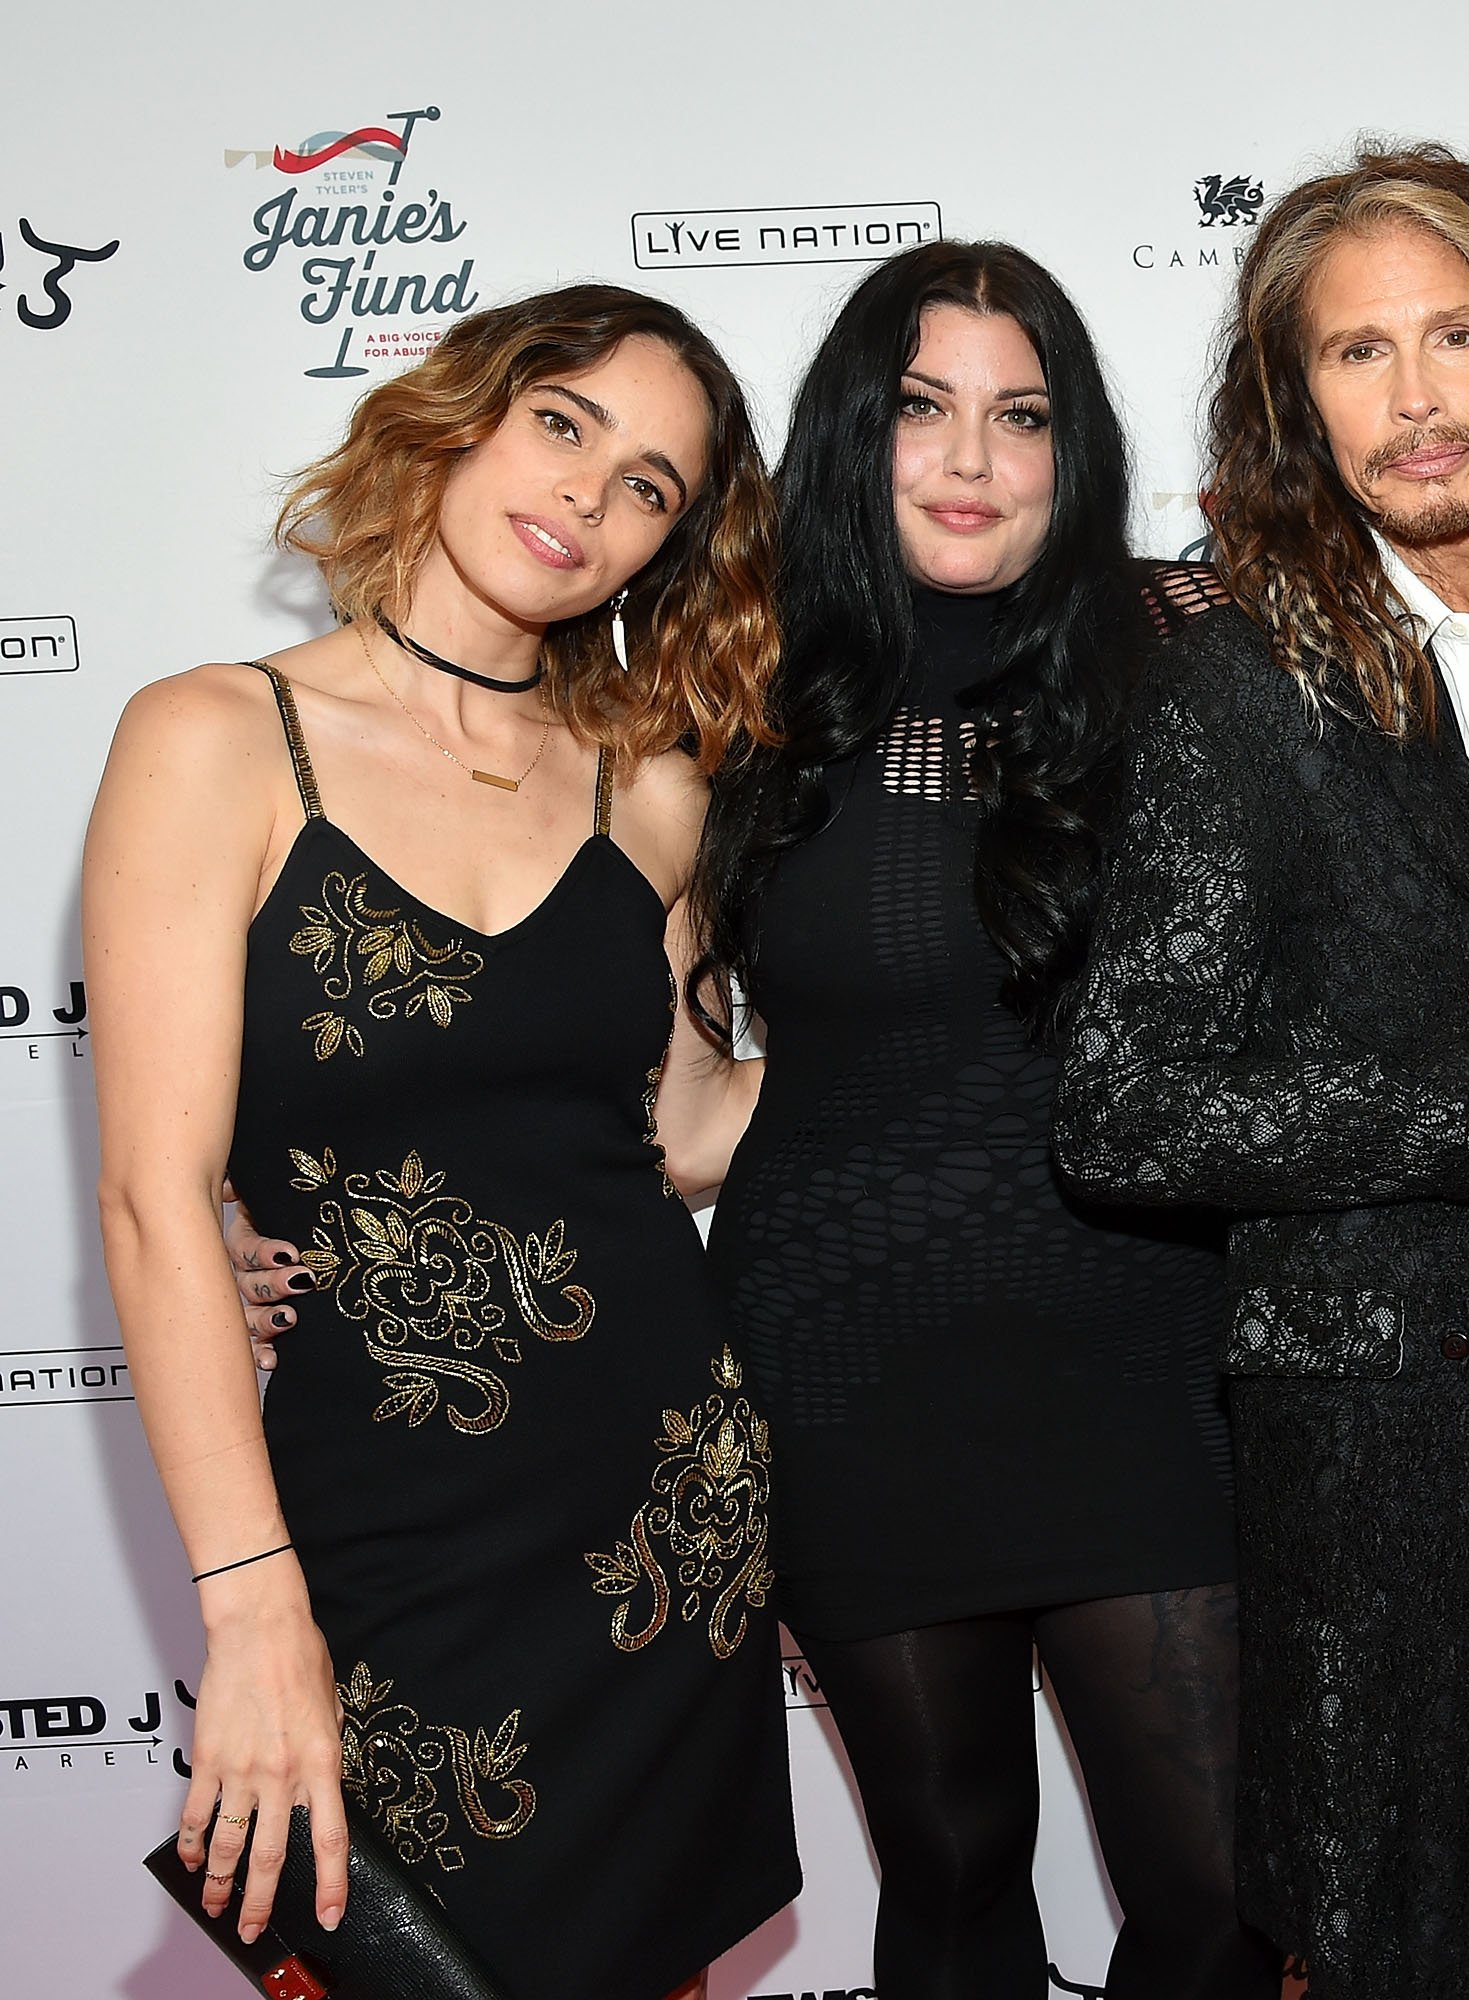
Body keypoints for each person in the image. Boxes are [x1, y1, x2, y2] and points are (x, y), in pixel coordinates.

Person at [1052, 144, 1469, 2000]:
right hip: (1397, 1428)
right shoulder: (1248, 682)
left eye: (1455, 338)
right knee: (1433, 1943)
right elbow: (1119, 1105)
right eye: (1359, 355)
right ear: (1296, 403)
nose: (1419, 399)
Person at [86, 285, 800, 1998]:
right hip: (380, 1528)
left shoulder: (652, 788)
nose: (590, 496)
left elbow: (700, 1135)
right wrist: (254, 1610)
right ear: (467, 412)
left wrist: (951, 1045)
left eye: (651, 487)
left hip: (668, 1508)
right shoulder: (214, 739)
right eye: (565, 424)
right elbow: (153, 1197)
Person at [679, 240, 1276, 2000]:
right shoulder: (737, 702)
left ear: (1072, 452)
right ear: (857, 437)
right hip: (852, 1362)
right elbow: (628, 1073)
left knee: (1228, 1898)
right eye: (924, 410)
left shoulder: (1189, 666)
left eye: (1019, 417)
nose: (969, 459)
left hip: (1150, 1358)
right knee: (948, 1883)